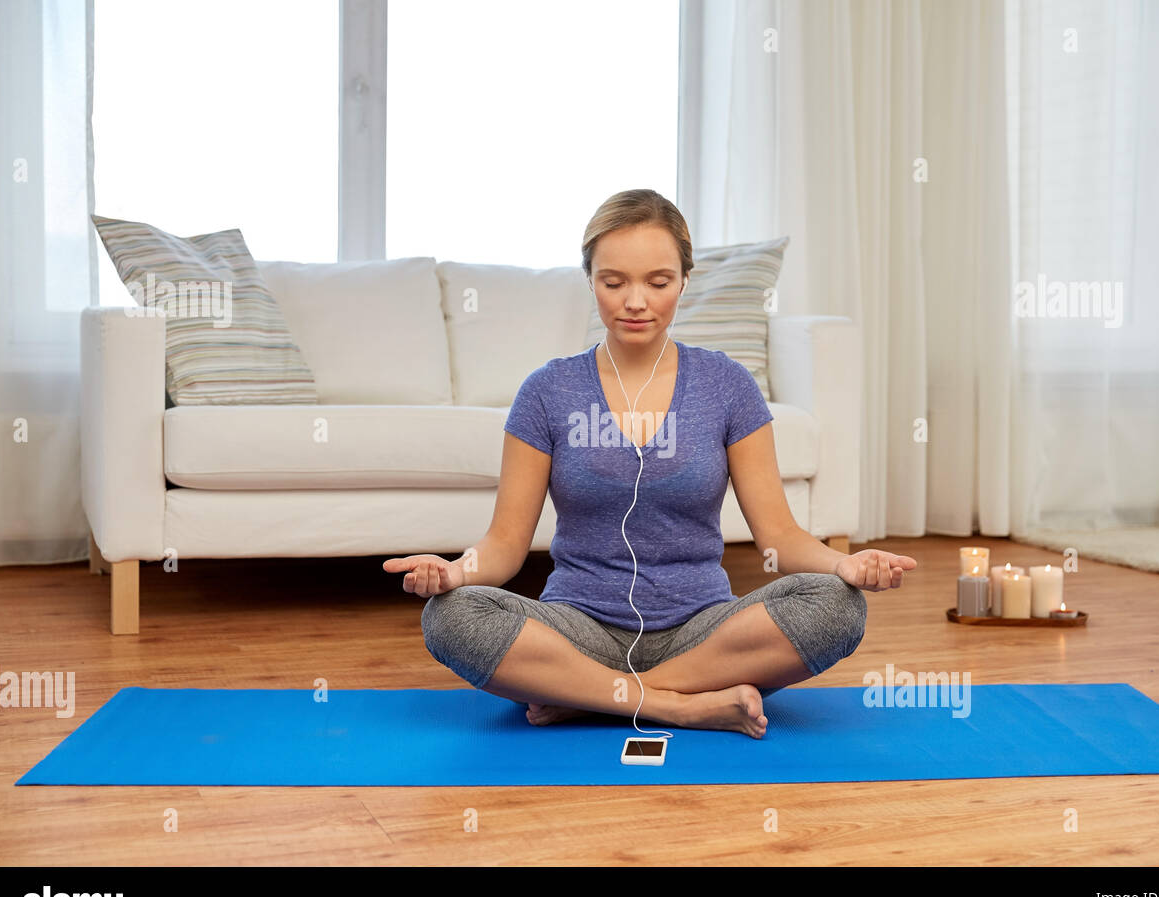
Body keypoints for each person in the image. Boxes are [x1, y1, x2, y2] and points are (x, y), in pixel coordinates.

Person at [384, 188, 916, 738]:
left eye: (657, 282)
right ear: (589, 280)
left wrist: (842, 566)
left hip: (703, 630)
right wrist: (455, 573)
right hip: (577, 627)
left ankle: (590, 697)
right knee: (450, 615)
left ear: (684, 280)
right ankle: (677, 706)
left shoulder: (727, 386)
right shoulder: (547, 392)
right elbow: (503, 547)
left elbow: (779, 535)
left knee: (838, 607)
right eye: (613, 282)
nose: (635, 301)